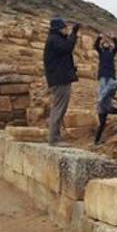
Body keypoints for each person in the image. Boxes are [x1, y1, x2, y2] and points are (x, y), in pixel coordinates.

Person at [43, 18, 79, 146]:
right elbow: (67, 48)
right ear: (59, 28)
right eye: (65, 28)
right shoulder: (54, 39)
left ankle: (55, 137)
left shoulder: (54, 39)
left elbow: (61, 57)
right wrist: (74, 34)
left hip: (59, 78)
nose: (66, 30)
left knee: (59, 108)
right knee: (59, 108)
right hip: (60, 80)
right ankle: (54, 139)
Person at [94, 77, 117, 145]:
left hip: (103, 107)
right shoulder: (112, 87)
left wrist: (114, 98)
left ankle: (96, 140)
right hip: (104, 107)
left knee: (102, 124)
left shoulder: (110, 86)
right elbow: (104, 95)